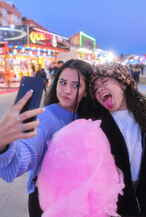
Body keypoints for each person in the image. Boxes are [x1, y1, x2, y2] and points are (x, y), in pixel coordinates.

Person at [0, 59, 93, 217]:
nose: (67, 90)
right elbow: (25, 153)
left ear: (86, 91)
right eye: (62, 82)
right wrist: (4, 144)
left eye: (76, 85)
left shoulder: (91, 119)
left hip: (77, 202)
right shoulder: (46, 117)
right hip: (46, 203)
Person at [87, 62, 146, 217]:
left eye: (104, 82)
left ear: (124, 84)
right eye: (95, 89)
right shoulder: (95, 125)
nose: (99, 89)